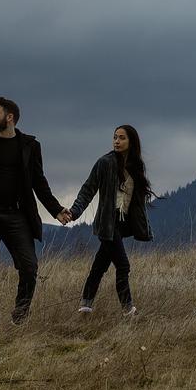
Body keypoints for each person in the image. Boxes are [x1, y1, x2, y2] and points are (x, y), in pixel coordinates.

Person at [0, 97, 68, 324]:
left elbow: (39, 182)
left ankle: (20, 315)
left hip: (17, 215)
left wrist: (56, 210)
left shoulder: (30, 146)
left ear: (10, 118)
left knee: (29, 267)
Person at [58, 125, 154, 315]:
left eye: (122, 138)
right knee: (123, 265)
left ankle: (85, 305)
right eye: (115, 138)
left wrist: (143, 227)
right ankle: (128, 309)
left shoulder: (136, 167)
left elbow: (137, 202)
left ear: (131, 142)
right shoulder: (105, 163)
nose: (117, 141)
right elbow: (88, 189)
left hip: (123, 224)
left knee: (100, 265)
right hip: (107, 224)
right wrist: (74, 212)